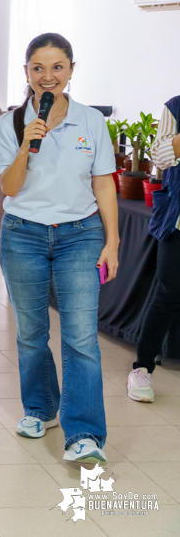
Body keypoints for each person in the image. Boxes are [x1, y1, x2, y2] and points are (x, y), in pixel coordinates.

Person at [0, 33, 118, 465]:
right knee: (31, 334)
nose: (48, 77)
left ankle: (84, 432)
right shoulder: (9, 123)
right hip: (22, 234)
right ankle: (41, 409)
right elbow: (8, 187)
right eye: (38, 68)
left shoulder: (91, 121)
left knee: (81, 337)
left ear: (71, 70)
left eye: (57, 67)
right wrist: (29, 142)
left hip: (80, 235)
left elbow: (104, 181)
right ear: (26, 73)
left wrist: (113, 240)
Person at [127, 95, 180, 402]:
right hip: (177, 222)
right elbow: (160, 156)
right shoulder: (174, 107)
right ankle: (142, 368)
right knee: (167, 293)